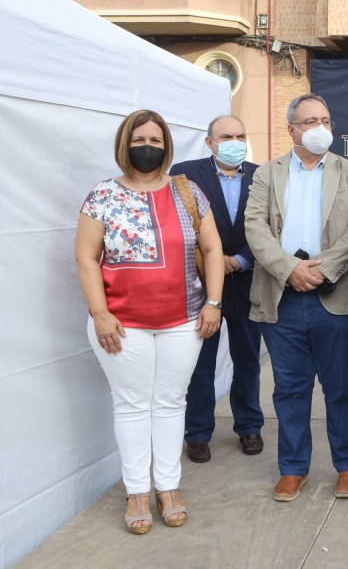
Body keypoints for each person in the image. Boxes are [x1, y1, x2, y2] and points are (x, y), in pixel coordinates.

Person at [75, 109, 225, 534]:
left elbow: (213, 250)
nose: (148, 147)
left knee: (170, 402)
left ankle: (169, 488)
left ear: (167, 146)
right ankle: (138, 491)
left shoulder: (188, 191)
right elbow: (86, 258)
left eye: (156, 140)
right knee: (132, 405)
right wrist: (100, 313)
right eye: (139, 139)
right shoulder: (102, 195)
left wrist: (214, 302)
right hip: (122, 324)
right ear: (125, 144)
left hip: (184, 320)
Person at [245, 94, 348, 503]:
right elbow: (255, 227)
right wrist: (288, 269)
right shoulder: (268, 172)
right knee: (289, 390)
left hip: (332, 293)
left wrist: (322, 269)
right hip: (282, 295)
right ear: (292, 129)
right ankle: (292, 469)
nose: (320, 127)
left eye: (326, 119)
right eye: (310, 120)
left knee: (341, 388)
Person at [170, 115, 264, 464]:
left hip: (246, 282)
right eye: (226, 136)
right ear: (209, 142)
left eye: (240, 135)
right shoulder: (185, 174)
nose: (235, 141)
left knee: (248, 359)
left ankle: (250, 425)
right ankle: (197, 433)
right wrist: (209, 260)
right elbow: (178, 223)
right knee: (201, 362)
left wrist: (240, 259)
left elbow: (272, 228)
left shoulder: (262, 175)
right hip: (200, 283)